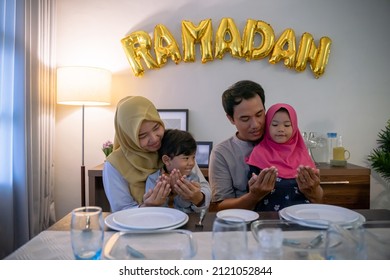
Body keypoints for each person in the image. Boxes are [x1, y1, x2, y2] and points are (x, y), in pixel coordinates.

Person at [209, 80, 322, 211]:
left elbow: (318, 200)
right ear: (231, 119)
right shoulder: (222, 153)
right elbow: (219, 207)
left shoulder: (289, 143)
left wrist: (313, 192)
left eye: (259, 114)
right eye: (245, 119)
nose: (256, 124)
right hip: (246, 225)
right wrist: (254, 196)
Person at [103, 96, 210, 212]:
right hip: (141, 228)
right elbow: (121, 210)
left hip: (185, 224)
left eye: (156, 128)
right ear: (129, 137)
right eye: (142, 136)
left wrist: (197, 197)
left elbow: (204, 188)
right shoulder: (114, 165)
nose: (154, 139)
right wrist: (146, 207)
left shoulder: (172, 145)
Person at [246, 103, 323, 211]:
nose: (281, 129)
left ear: (294, 127)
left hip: (301, 218)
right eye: (275, 124)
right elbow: (251, 190)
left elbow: (317, 193)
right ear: (267, 126)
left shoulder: (303, 154)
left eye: (287, 125)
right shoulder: (258, 152)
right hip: (268, 220)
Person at [146, 129, 211, 213]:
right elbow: (155, 209)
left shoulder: (192, 177)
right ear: (167, 160)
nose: (192, 163)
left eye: (193, 157)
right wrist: (167, 193)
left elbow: (187, 206)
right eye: (186, 158)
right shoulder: (153, 179)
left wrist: (179, 192)